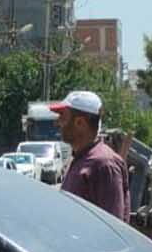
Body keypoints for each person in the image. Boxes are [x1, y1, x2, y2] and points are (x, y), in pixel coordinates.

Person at [52, 89, 128, 221]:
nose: (57, 122)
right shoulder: (79, 158)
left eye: (62, 116)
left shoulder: (104, 164)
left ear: (80, 123)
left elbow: (113, 226)